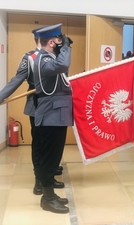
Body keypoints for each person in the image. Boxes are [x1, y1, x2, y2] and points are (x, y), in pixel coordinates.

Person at [0, 27, 63, 196]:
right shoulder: (31, 58)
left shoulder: (56, 56)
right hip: (37, 107)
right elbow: (16, 80)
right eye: (56, 39)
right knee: (39, 145)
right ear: (42, 39)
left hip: (55, 108)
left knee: (52, 145)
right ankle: (39, 180)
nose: (58, 42)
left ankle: (49, 177)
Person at [33, 23, 73, 214]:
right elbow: (63, 65)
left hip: (56, 115)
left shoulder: (49, 57)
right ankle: (48, 199)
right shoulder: (43, 59)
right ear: (51, 42)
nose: (61, 41)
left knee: (54, 158)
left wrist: (64, 47)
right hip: (50, 115)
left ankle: (49, 196)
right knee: (49, 159)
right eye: (59, 39)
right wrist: (66, 47)